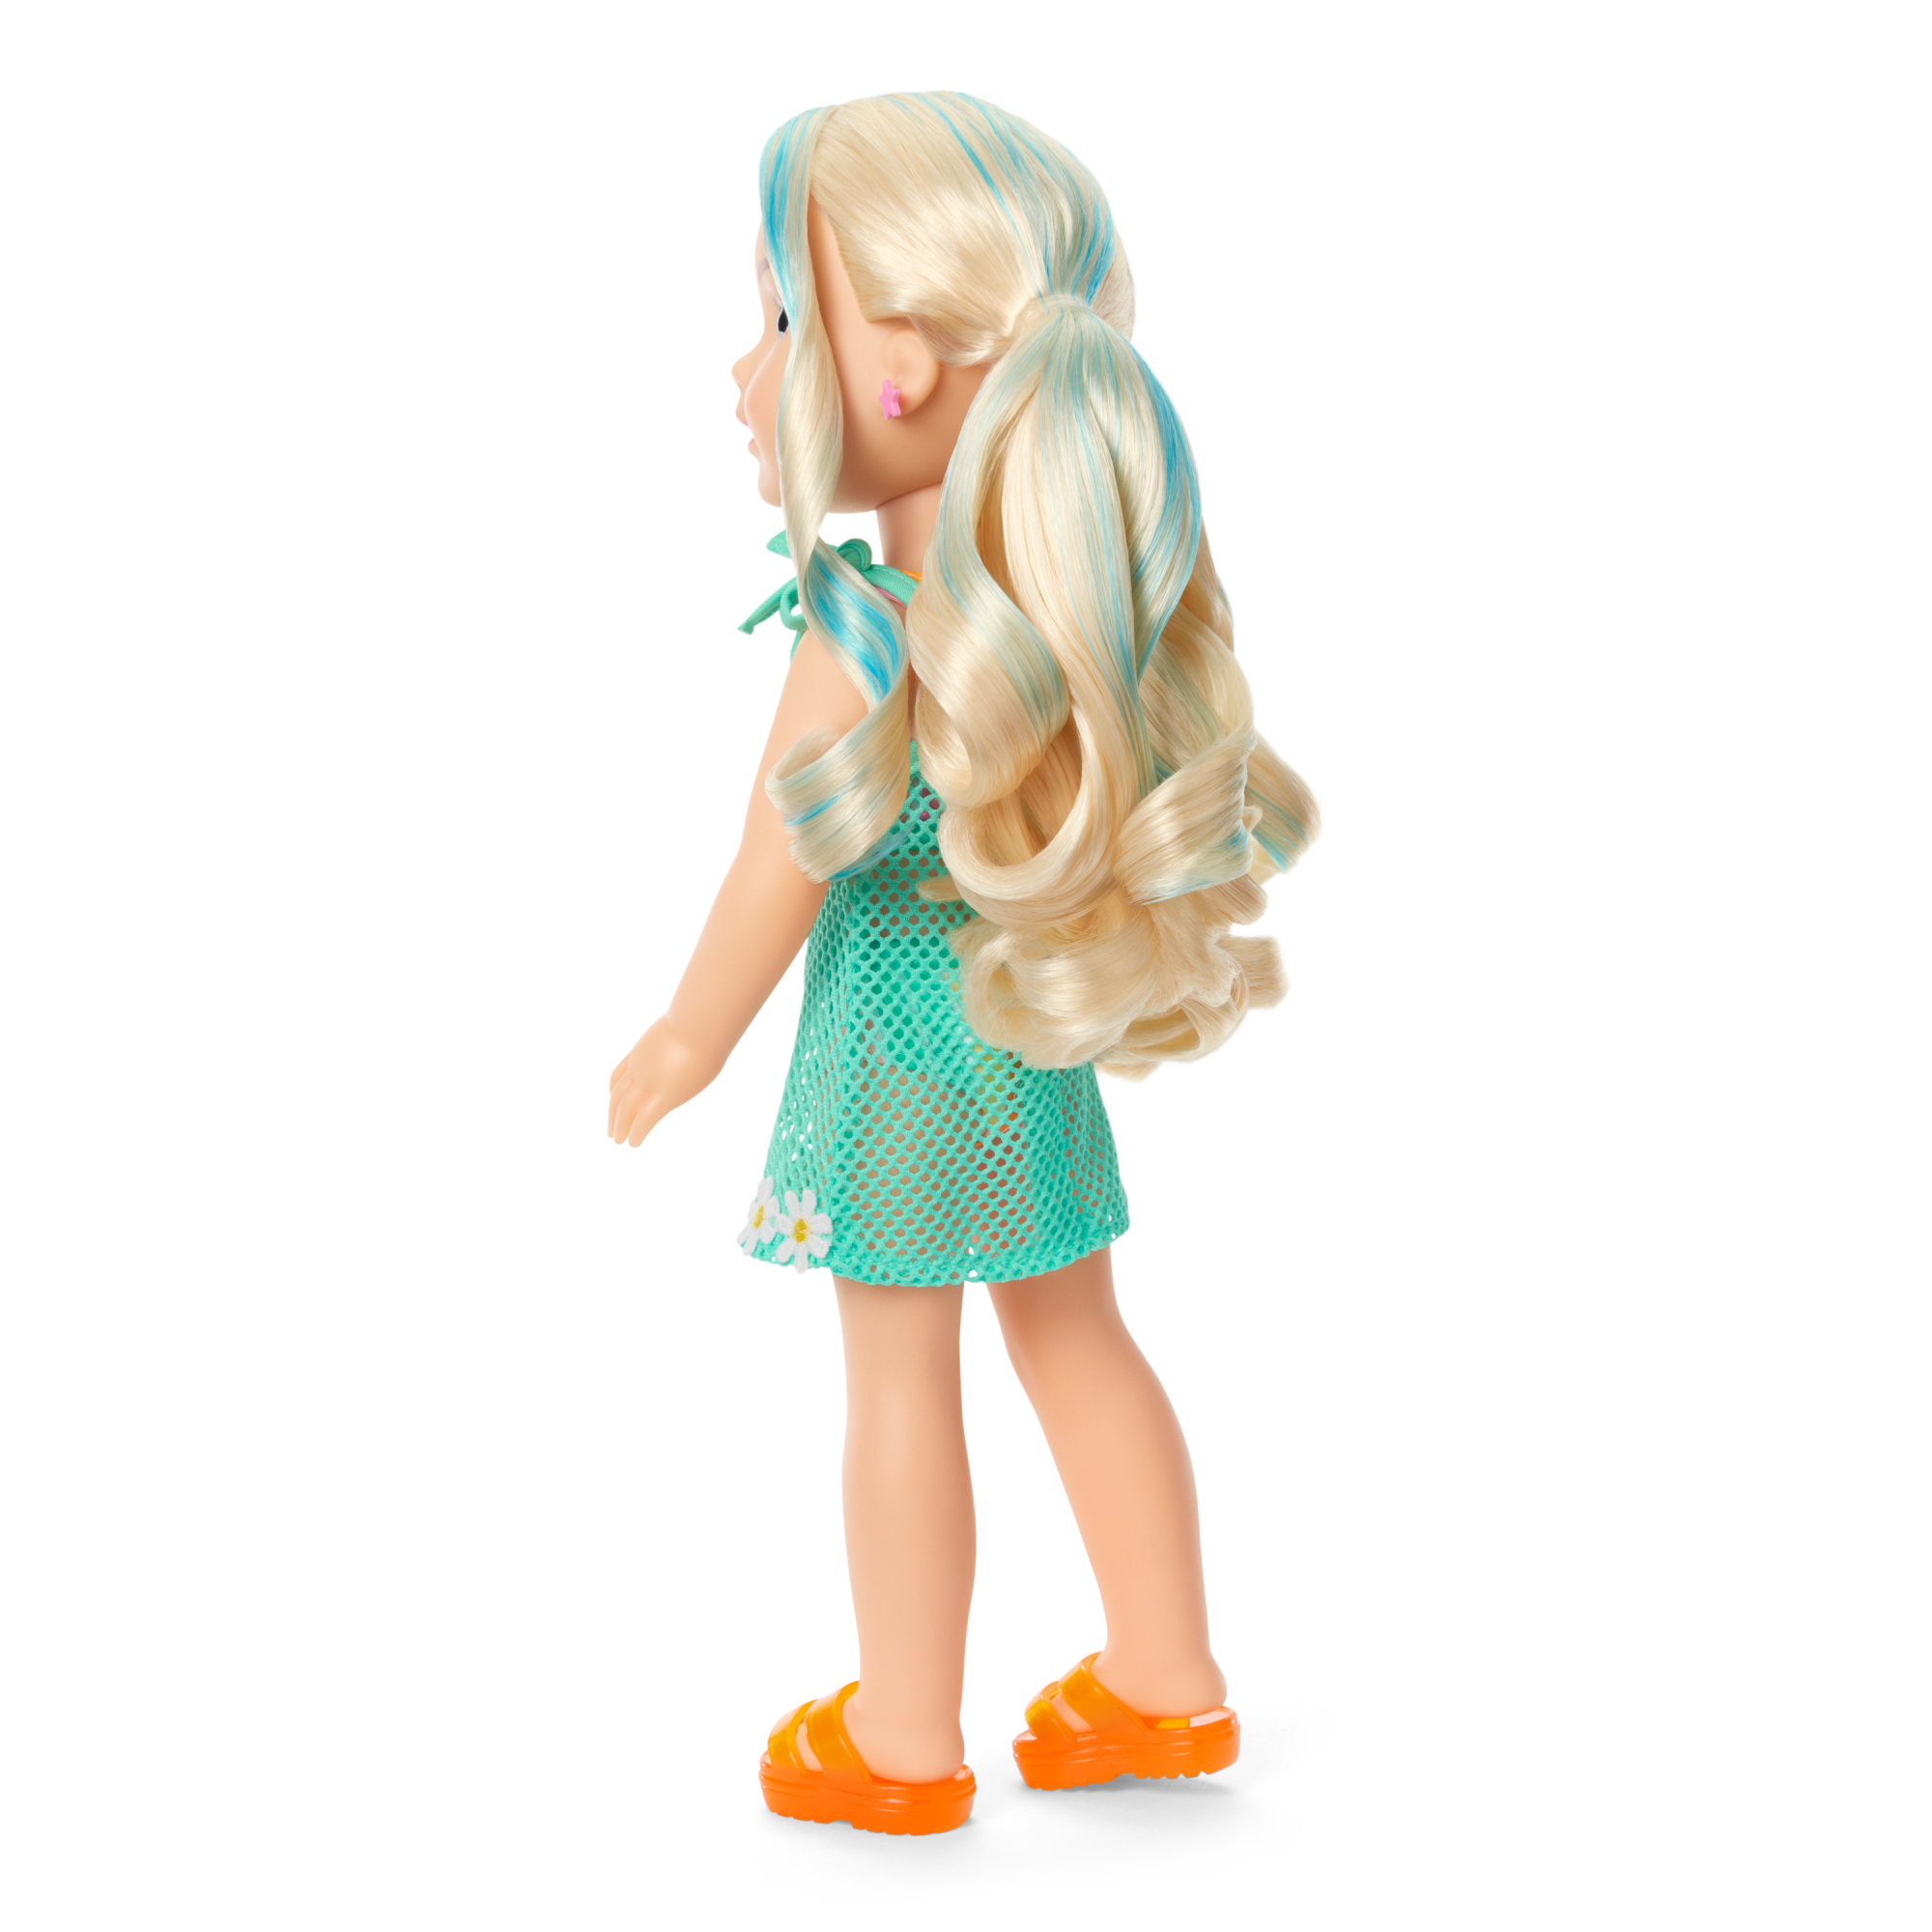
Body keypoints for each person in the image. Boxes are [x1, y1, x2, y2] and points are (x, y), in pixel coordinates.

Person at [605, 88, 1329, 1835]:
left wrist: (684, 1041)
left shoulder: (861, 637)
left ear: (908, 367)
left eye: (785, 321)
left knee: (898, 1390)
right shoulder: (1057, 624)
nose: (748, 371)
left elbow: (774, 874)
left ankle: (906, 1739)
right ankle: (1169, 1682)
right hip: (1034, 1057)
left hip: (891, 1091)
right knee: (1082, 1346)